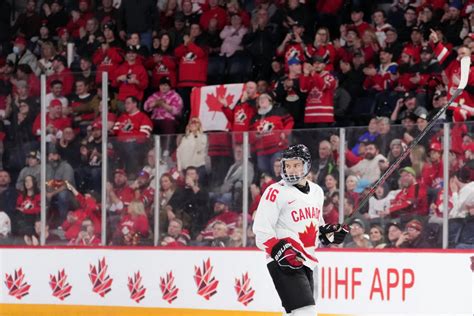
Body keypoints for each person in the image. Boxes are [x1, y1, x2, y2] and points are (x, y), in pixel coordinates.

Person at [253, 144, 348, 316]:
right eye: (287, 165)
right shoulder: (275, 192)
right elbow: (261, 232)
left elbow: (315, 231)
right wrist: (279, 250)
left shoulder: (317, 192)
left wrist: (329, 234)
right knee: (306, 312)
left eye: (296, 165)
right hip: (284, 261)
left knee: (295, 313)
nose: (291, 169)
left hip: (309, 260)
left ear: (306, 165)